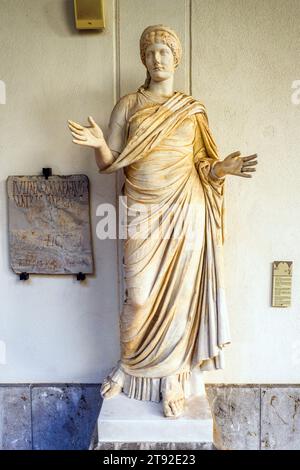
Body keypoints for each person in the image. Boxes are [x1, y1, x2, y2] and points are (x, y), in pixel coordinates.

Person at [68, 25, 257, 418]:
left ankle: (173, 375)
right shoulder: (128, 105)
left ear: (176, 58)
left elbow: (204, 166)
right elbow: (109, 164)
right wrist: (100, 144)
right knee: (138, 298)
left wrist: (222, 168)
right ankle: (127, 363)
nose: (157, 59)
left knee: (180, 299)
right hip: (140, 209)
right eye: (150, 53)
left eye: (164, 52)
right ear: (143, 59)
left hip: (185, 208)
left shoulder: (193, 109)